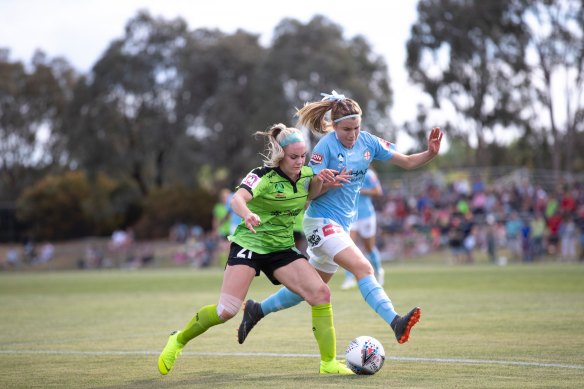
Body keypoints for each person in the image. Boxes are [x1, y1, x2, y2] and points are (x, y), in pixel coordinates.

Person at [238, 90, 443, 346]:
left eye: (356, 128)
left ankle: (257, 310)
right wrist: (325, 183)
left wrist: (430, 154)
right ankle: (395, 322)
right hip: (321, 222)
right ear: (334, 126)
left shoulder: (368, 142)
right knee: (364, 268)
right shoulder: (325, 147)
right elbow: (309, 194)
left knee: (311, 288)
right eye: (346, 129)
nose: (352, 134)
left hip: (341, 226)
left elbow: (408, 161)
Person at [157, 123, 354, 376]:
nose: (299, 161)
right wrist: (248, 214)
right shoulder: (262, 176)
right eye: (294, 157)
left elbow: (310, 193)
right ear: (281, 155)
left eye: (302, 156)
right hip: (249, 243)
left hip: (281, 248)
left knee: (320, 294)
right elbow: (237, 199)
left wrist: (326, 183)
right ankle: (179, 339)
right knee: (226, 311)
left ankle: (328, 364)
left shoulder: (307, 174)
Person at [341, 168, 384, 290]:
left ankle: (378, 271)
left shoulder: (369, 174)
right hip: (351, 216)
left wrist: (361, 191)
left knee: (369, 247)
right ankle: (349, 277)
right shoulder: (347, 172)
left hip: (366, 215)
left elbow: (378, 191)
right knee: (348, 246)